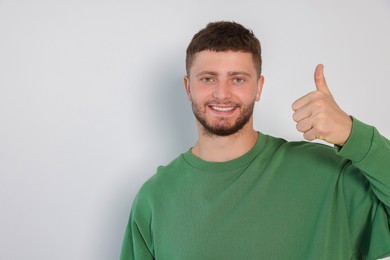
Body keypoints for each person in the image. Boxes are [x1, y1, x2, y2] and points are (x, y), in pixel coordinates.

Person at [120, 21, 390, 260]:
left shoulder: (328, 175)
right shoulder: (155, 198)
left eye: (238, 79)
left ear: (258, 87)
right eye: (208, 78)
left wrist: (352, 134)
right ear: (188, 87)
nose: (221, 93)